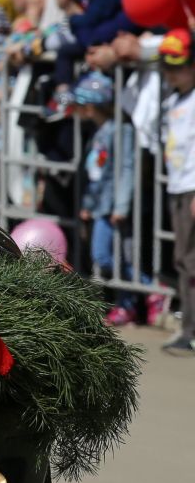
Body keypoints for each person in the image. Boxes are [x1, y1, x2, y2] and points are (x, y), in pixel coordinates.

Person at [74, 72, 142, 326]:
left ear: (91, 106)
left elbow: (125, 167)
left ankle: (144, 291)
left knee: (106, 255)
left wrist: (121, 205)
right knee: (104, 257)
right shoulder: (100, 131)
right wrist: (88, 206)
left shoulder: (121, 130)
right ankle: (128, 301)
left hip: (113, 206)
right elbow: (96, 173)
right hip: (100, 205)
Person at [158, 30, 195, 356]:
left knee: (190, 260)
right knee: (183, 259)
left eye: (178, 66)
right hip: (179, 186)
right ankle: (189, 329)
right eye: (166, 66)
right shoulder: (173, 100)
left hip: (192, 189)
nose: (171, 72)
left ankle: (191, 330)